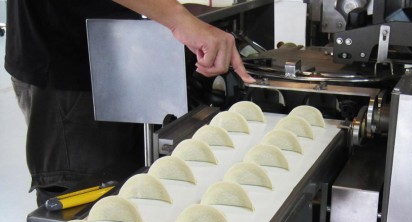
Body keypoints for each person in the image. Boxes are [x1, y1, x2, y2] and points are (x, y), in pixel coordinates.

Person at [5, 0, 254, 206]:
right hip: (71, 72)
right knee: (92, 210)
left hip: (116, 56)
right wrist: (180, 20)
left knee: (132, 190)